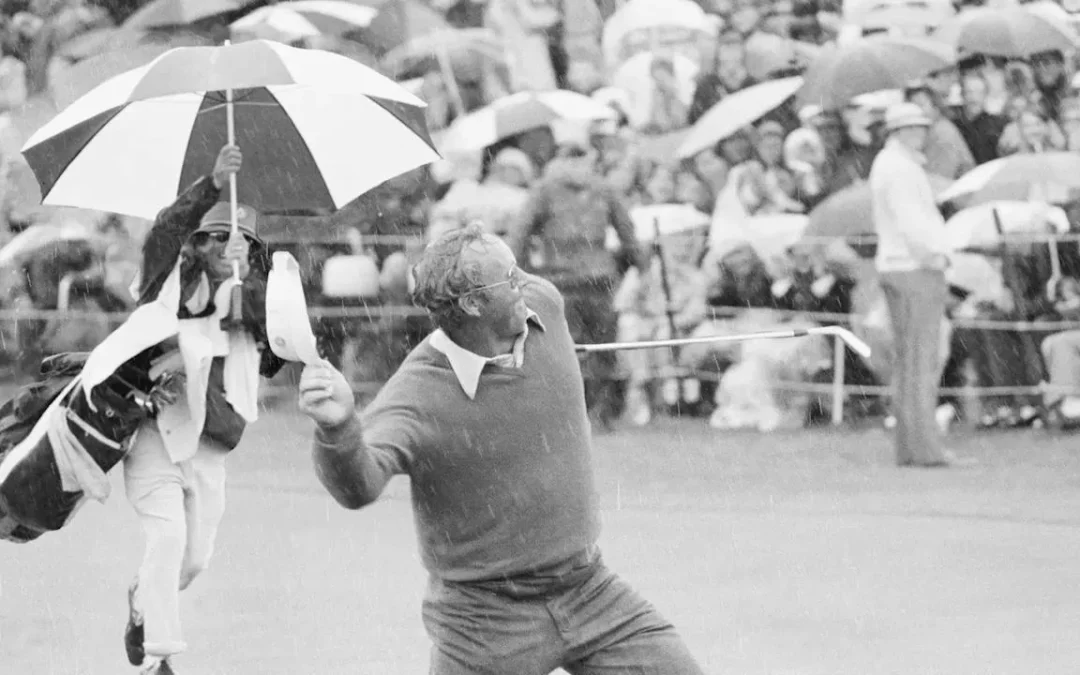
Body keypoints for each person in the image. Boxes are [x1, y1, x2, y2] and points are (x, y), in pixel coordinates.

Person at [298, 224, 705, 675]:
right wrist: (337, 429)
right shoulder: (416, 393)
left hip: (588, 587)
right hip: (483, 617)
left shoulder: (544, 303)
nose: (523, 286)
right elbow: (360, 485)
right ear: (472, 304)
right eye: (510, 279)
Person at [120, 145, 286, 674]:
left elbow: (276, 358)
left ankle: (142, 600)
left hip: (210, 442)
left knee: (191, 562)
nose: (220, 244)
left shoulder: (256, 293)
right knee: (166, 540)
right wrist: (212, 185)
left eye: (234, 237)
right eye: (210, 235)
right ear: (195, 241)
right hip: (152, 429)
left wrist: (246, 285)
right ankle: (158, 660)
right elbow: (164, 232)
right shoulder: (162, 283)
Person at [870, 103, 968, 468]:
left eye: (920, 126)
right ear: (894, 131)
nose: (918, 132)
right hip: (914, 269)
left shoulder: (893, 164)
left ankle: (912, 448)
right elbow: (913, 222)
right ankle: (925, 449)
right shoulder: (899, 167)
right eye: (909, 127)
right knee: (922, 363)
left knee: (910, 364)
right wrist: (936, 257)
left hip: (900, 266)